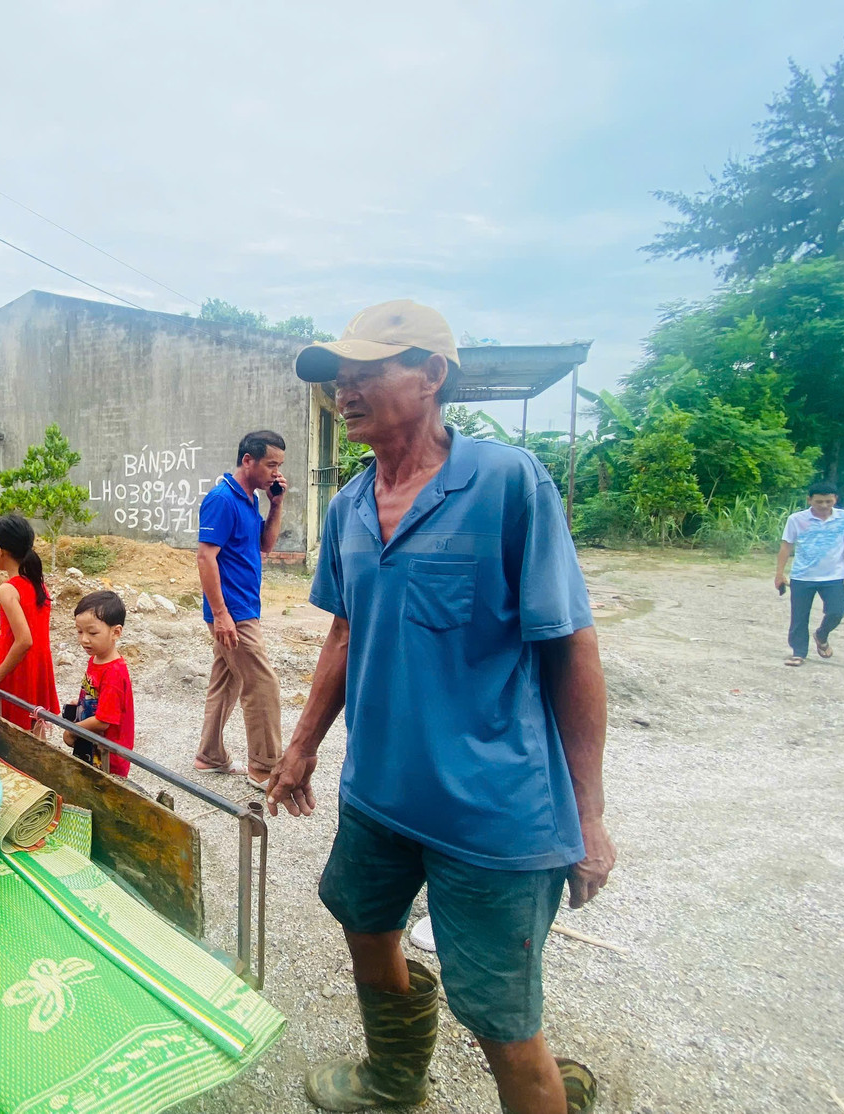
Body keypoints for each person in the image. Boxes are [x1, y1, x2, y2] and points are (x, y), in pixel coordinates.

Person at [268, 300, 614, 1114]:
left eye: (365, 370)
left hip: (492, 813)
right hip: (379, 796)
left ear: (432, 375)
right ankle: (394, 1078)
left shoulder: (504, 482)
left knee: (501, 1018)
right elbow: (346, 635)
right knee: (364, 930)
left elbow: (573, 646)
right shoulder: (350, 505)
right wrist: (303, 745)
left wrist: (590, 815)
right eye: (337, 376)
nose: (344, 389)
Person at [193, 430, 288, 791]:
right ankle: (264, 768)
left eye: (279, 466)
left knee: (227, 680)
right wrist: (220, 614)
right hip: (233, 613)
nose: (276, 473)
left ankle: (209, 755)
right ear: (248, 460)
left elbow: (265, 545)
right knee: (262, 685)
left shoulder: (249, 499)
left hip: (244, 607)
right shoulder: (222, 498)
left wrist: (275, 504)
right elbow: (206, 557)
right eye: (271, 464)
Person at [0, 513, 59, 732]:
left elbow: (24, 640)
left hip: (16, 672)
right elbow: (21, 637)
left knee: (11, 730)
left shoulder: (8, 590)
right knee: (33, 728)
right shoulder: (38, 584)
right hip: (33, 668)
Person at [775, 480, 844, 665]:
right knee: (799, 616)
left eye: (828, 502)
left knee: (837, 611)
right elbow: (786, 546)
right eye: (819, 502)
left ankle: (821, 634)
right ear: (809, 500)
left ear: (835, 499)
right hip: (802, 575)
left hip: (833, 576)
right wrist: (779, 573)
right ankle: (798, 652)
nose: (824, 506)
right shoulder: (796, 520)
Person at [63, 590, 135, 777]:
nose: (84, 639)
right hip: (92, 745)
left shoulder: (114, 672)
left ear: (116, 632)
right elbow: (95, 695)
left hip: (107, 756)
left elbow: (104, 721)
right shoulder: (95, 659)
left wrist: (73, 731)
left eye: (92, 632)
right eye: (79, 631)